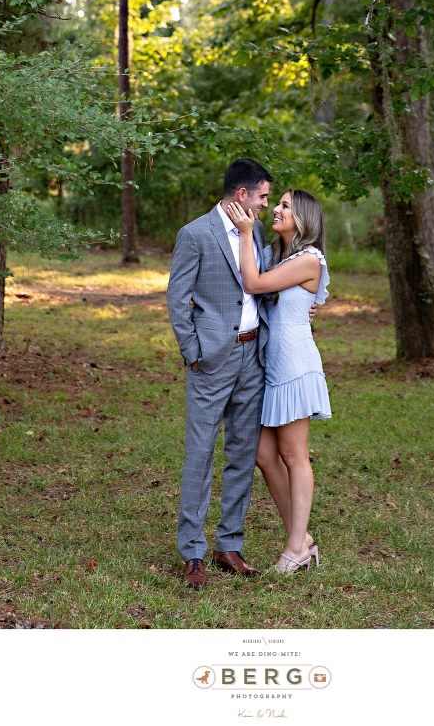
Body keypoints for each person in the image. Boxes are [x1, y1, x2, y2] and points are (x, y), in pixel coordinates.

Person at [167, 158, 273, 590]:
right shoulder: (195, 234)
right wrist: (194, 353)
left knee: (243, 453)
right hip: (211, 359)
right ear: (242, 195)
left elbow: (259, 286)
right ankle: (192, 551)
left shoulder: (258, 232)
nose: (267, 204)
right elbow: (178, 299)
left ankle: (229, 544)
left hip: (253, 356)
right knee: (201, 452)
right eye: (263, 196)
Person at [226, 188, 331, 575]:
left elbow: (253, 284)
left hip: (294, 364)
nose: (276, 209)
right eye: (278, 203)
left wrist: (242, 231)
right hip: (271, 363)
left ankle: (295, 549)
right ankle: (301, 540)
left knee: (293, 454)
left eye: (285, 205)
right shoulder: (277, 255)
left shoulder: (309, 258)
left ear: (303, 217)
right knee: (264, 455)